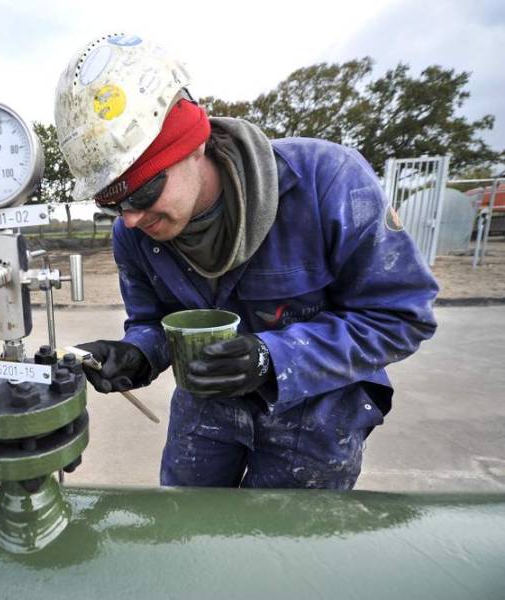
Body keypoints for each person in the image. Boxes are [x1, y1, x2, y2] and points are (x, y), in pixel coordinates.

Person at [54, 35, 438, 489]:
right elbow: (154, 322)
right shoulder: (135, 235)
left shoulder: (328, 184)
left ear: (192, 143)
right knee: (187, 536)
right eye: (113, 205)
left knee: (280, 554)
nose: (132, 219)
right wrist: (138, 353)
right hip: (205, 410)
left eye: (142, 192)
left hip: (315, 413)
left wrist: (272, 358)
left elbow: (400, 316)